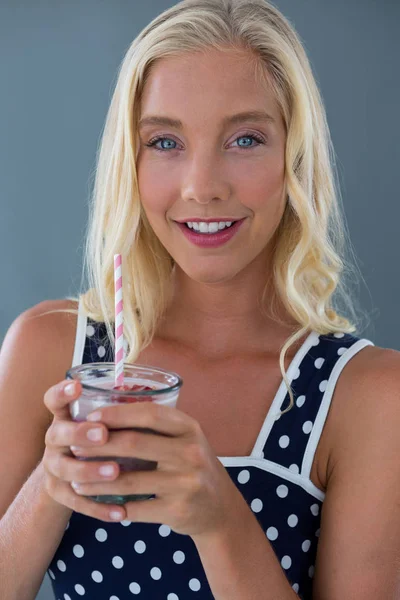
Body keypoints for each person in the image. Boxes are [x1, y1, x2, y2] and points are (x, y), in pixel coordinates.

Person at [0, 0, 399, 598]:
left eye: (244, 138)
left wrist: (219, 520)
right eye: (165, 141)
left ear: (296, 156)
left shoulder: (367, 396)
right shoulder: (50, 348)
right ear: (128, 163)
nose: (203, 186)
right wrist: (50, 484)